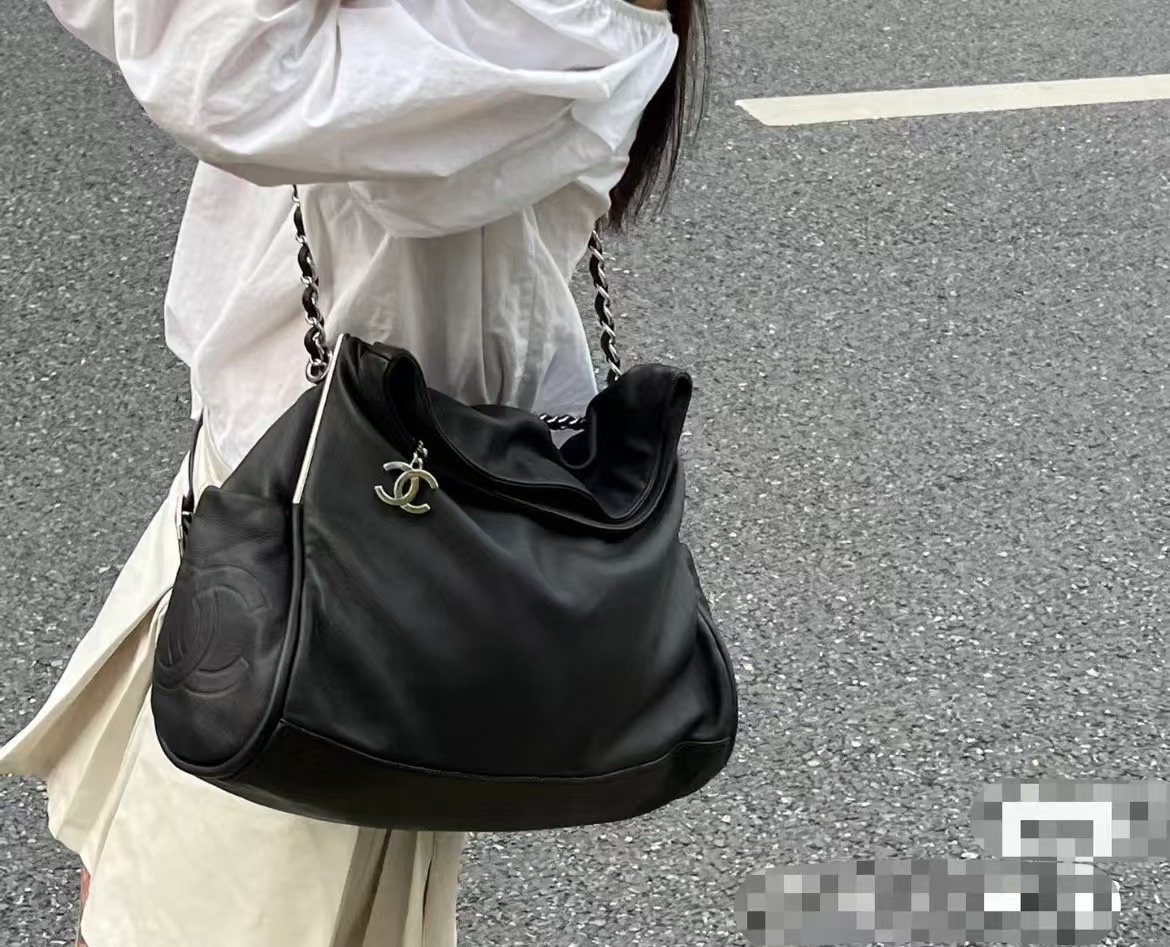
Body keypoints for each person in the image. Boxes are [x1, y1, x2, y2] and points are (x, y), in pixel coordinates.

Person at [0, 0, 709, 944]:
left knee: (210, 911)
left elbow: (233, 81)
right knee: (140, 884)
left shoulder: (564, 24)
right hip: (263, 485)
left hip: (372, 546)